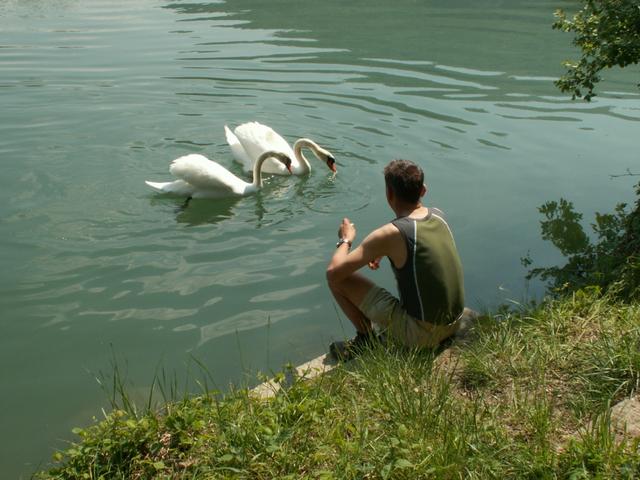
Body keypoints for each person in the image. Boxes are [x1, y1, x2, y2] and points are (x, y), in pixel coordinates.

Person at [326, 159, 465, 359]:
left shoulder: (389, 234)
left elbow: (334, 272)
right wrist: (383, 250)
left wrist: (345, 239)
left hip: (422, 335)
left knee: (338, 279)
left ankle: (366, 340)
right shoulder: (438, 216)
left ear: (389, 194)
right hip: (455, 323)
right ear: (423, 190)